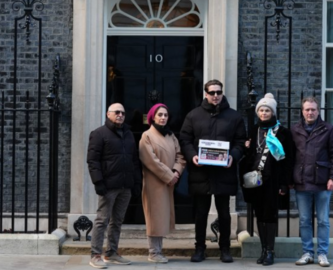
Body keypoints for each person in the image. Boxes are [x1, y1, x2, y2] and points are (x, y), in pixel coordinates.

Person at [179, 79, 247, 263]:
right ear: (206, 94)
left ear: (222, 93)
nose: (215, 95)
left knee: (224, 213)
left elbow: (241, 141)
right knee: (200, 213)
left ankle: (225, 248)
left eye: (218, 92)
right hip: (201, 173)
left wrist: (233, 156)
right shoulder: (193, 116)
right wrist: (193, 155)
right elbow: (184, 139)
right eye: (212, 92)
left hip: (224, 173)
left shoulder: (234, 117)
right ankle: (199, 248)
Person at [240, 93, 295, 266]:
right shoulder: (254, 130)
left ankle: (270, 251)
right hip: (256, 180)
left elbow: (288, 160)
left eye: (267, 110)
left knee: (270, 216)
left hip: (273, 180)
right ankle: (263, 249)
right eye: (261, 110)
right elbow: (250, 156)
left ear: (273, 112)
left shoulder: (283, 132)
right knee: (259, 215)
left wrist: (284, 184)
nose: (264, 113)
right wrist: (245, 147)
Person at [87, 103, 142, 269]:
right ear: (108, 114)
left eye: (123, 113)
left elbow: (134, 160)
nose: (120, 115)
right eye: (117, 112)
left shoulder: (129, 134)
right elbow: (93, 160)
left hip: (126, 185)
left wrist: (136, 182)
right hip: (108, 185)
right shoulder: (98, 134)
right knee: (102, 220)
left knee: (117, 221)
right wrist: (98, 182)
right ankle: (95, 254)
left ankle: (111, 252)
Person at [291, 97, 333, 267]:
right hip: (302, 181)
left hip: (322, 182)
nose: (310, 112)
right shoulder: (295, 130)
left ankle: (322, 253)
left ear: (318, 111)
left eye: (313, 109)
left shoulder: (328, 129)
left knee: (323, 221)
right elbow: (290, 156)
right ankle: (307, 253)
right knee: (304, 220)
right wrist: (290, 179)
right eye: (307, 109)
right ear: (302, 111)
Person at [139, 103, 186, 263]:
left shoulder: (171, 136)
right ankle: (154, 252)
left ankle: (158, 251)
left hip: (169, 183)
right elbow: (150, 161)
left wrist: (176, 172)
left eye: (165, 115)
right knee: (155, 217)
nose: (163, 117)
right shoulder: (147, 136)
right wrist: (168, 175)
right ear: (153, 116)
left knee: (162, 217)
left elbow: (180, 156)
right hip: (154, 183)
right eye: (160, 115)